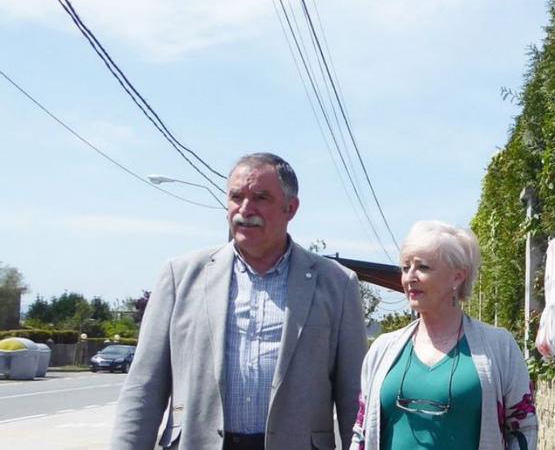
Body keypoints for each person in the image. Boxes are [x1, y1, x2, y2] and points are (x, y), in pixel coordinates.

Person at [112, 153, 367, 450]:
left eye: (261, 197)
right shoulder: (180, 277)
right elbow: (143, 388)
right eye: (236, 196)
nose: (245, 209)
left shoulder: (337, 284)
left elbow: (354, 398)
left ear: (291, 208)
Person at [350, 221, 537, 450]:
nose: (410, 277)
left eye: (423, 267)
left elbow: (523, 428)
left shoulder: (499, 348)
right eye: (405, 267)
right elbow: (361, 431)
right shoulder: (382, 348)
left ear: (457, 277)